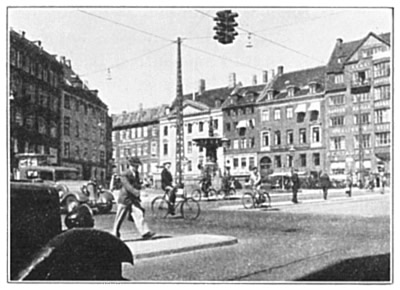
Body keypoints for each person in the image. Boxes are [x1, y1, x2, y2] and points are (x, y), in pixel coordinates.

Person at [112, 156, 155, 240]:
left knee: (139, 213)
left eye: (137, 166)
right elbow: (128, 186)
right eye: (135, 166)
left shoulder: (137, 174)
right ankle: (114, 233)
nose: (136, 167)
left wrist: (142, 186)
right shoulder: (124, 174)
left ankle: (145, 232)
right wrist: (137, 192)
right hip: (125, 198)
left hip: (133, 199)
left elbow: (136, 185)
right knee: (119, 217)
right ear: (130, 165)